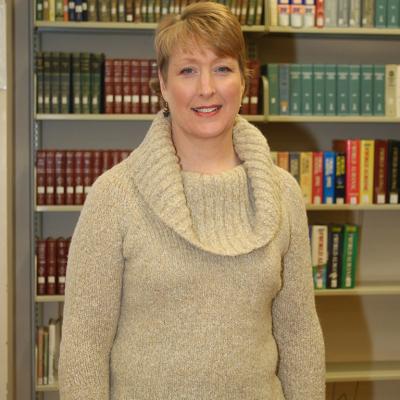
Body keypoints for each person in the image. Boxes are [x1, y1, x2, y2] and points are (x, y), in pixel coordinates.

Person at [58, 2, 325, 399]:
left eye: (222, 68)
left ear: (244, 80)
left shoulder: (283, 193)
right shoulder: (114, 197)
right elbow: (84, 346)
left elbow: (299, 334)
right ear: (163, 85)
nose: (206, 88)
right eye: (187, 70)